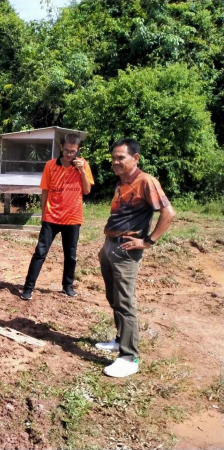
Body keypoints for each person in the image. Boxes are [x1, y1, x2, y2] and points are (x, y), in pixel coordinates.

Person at [97, 138, 176, 378]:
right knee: (113, 297)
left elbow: (168, 212)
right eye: (114, 157)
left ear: (136, 158)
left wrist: (148, 241)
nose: (116, 161)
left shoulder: (146, 181)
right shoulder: (123, 182)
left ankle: (129, 358)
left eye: (121, 157)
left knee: (125, 302)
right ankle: (120, 339)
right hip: (111, 246)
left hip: (127, 250)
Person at [21, 134, 94, 300]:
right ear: (61, 147)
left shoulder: (83, 165)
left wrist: (82, 171)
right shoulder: (50, 165)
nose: (69, 154)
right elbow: (45, 190)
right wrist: (43, 213)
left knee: (71, 255)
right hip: (52, 217)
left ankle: (67, 287)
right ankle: (28, 288)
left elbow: (87, 190)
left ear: (78, 150)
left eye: (73, 151)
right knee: (40, 252)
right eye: (67, 150)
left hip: (73, 218)